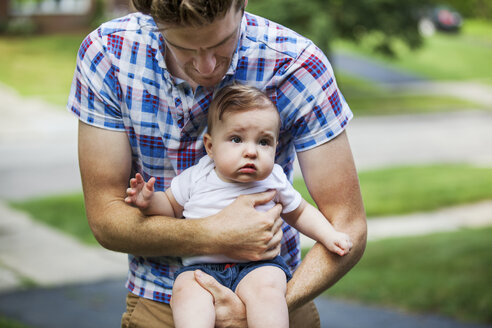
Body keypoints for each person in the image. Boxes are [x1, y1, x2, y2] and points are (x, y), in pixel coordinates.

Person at [68, 0, 367, 326]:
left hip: (277, 295)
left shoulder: (296, 65)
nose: (207, 66)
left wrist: (261, 311)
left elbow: (347, 225)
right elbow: (106, 219)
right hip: (163, 297)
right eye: (184, 48)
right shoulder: (108, 54)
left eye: (220, 43)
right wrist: (213, 234)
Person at [124, 84, 353, 327]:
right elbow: (170, 205)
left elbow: (301, 212)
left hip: (259, 265)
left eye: (264, 142)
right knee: (186, 294)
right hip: (201, 269)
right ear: (210, 147)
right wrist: (148, 202)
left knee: (268, 293)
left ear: (276, 148)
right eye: (236, 139)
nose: (251, 152)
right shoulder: (197, 176)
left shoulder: (273, 179)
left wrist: (329, 235)